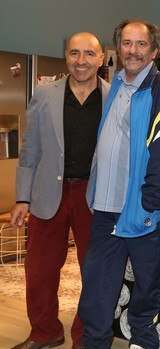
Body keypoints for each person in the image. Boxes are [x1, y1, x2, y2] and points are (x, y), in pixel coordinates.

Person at [78, 19, 160, 349]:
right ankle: (95, 343)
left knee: (146, 288)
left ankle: (144, 343)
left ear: (154, 51)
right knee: (96, 288)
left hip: (139, 209)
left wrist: (150, 201)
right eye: (127, 43)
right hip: (105, 209)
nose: (133, 50)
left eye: (141, 44)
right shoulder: (115, 84)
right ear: (118, 48)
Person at [10, 33, 108, 349]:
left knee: (94, 271)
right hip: (48, 192)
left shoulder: (115, 97)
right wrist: (22, 197)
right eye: (74, 53)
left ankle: (85, 336)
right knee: (39, 269)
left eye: (89, 54)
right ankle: (45, 331)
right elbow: (30, 148)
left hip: (94, 196)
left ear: (101, 58)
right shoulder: (44, 94)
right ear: (66, 56)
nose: (81, 61)